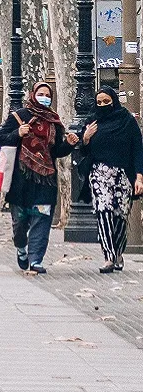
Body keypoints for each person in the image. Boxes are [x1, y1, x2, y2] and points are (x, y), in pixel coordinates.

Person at [0, 81, 78, 274]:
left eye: (48, 95)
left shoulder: (54, 122)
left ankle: (36, 260)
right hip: (20, 181)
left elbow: (56, 151)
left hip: (45, 182)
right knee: (20, 223)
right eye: (41, 93)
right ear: (33, 94)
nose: (45, 98)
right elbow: (1, 138)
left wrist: (69, 144)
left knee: (41, 220)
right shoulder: (19, 116)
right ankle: (21, 249)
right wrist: (18, 132)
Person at [78, 86, 143, 273]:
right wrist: (86, 138)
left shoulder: (127, 121)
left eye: (107, 101)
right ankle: (108, 256)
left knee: (120, 215)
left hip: (124, 175)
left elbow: (137, 149)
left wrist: (139, 177)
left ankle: (118, 252)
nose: (103, 105)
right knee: (104, 211)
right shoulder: (92, 121)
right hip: (99, 173)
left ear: (114, 101)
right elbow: (84, 151)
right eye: (99, 102)